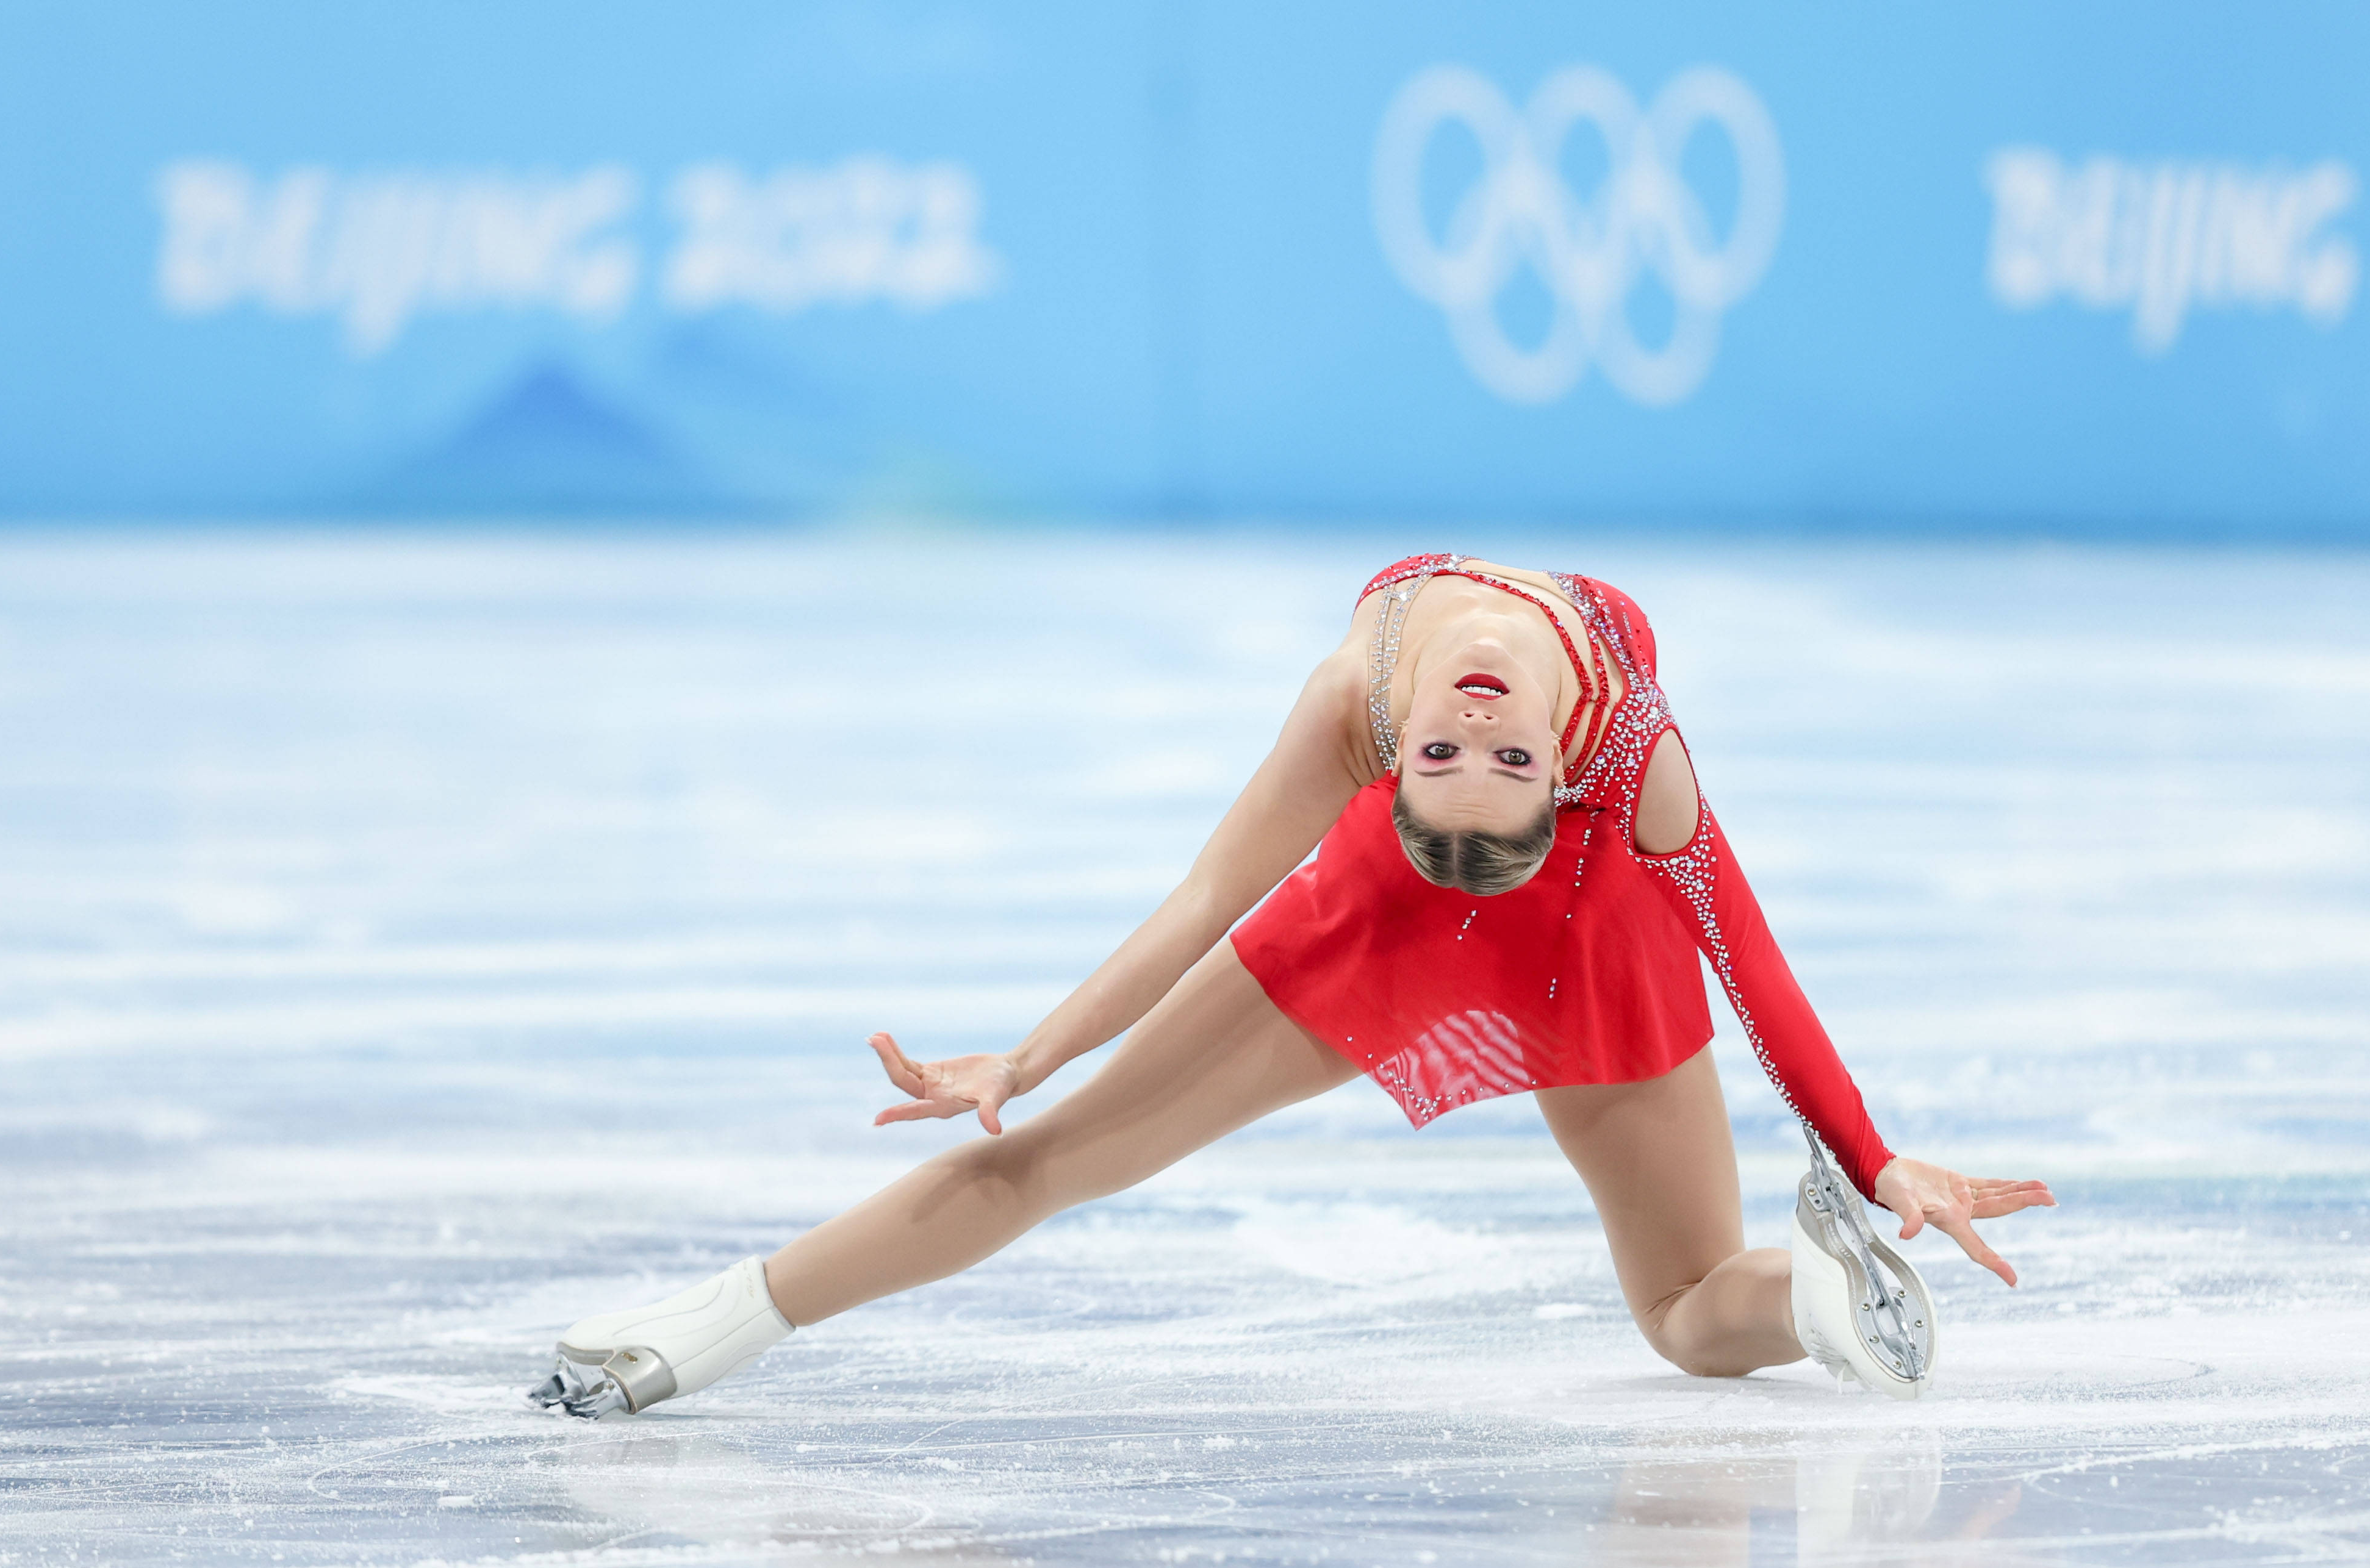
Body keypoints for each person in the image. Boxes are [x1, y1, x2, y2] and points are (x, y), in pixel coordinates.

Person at [529, 553, 2054, 1419]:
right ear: (1391, 780)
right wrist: (1034, 1052)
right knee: (1039, 1150)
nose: (1468, 726)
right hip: (1410, 913)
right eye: (1451, 755)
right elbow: (1208, 891)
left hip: (1581, 922)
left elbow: (1746, 942)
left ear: (1556, 778)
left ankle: (1813, 1293)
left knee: (1671, 1307)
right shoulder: (1381, 717)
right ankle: (695, 1334)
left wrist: (1873, 1155)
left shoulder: (1619, 758)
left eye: (1499, 757)